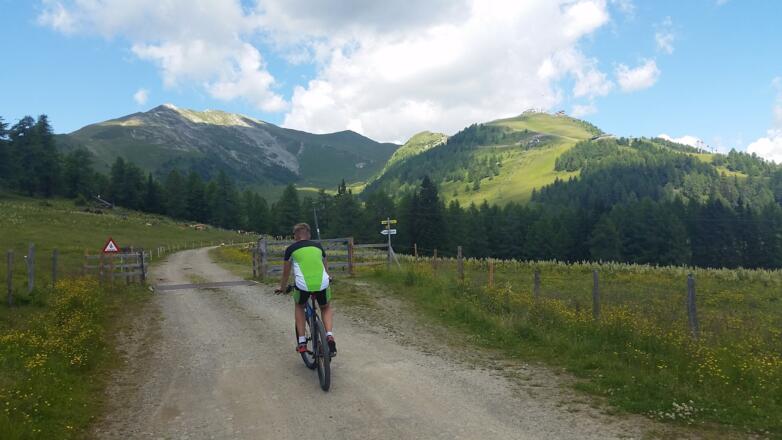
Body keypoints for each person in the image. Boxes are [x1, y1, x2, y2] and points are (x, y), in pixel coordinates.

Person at [275, 223, 336, 356]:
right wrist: (328, 278)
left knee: (299, 305)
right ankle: (329, 335)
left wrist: (282, 287)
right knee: (325, 307)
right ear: (308, 234)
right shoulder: (318, 246)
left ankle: (302, 342)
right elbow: (325, 266)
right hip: (322, 283)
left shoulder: (291, 249)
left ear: (296, 236)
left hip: (303, 285)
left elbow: (286, 273)